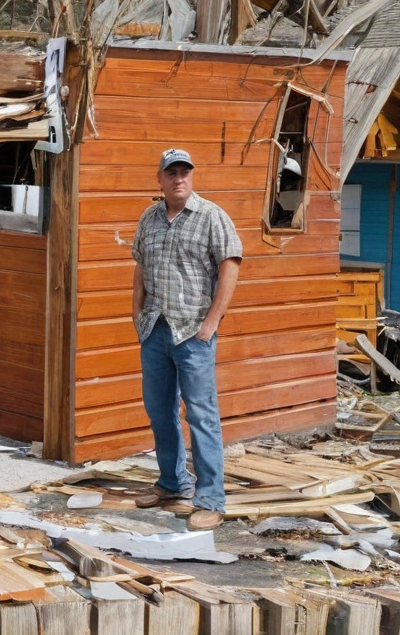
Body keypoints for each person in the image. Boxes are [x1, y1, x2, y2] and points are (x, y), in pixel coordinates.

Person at [131, 148, 242, 531]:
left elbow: (230, 269)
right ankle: (171, 482)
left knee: (201, 415)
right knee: (160, 411)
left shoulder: (212, 216)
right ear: (159, 179)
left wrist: (211, 323)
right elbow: (141, 267)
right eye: (171, 172)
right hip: (155, 328)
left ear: (192, 177)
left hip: (193, 332)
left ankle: (211, 498)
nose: (178, 178)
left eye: (184, 172)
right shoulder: (150, 218)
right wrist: (136, 313)